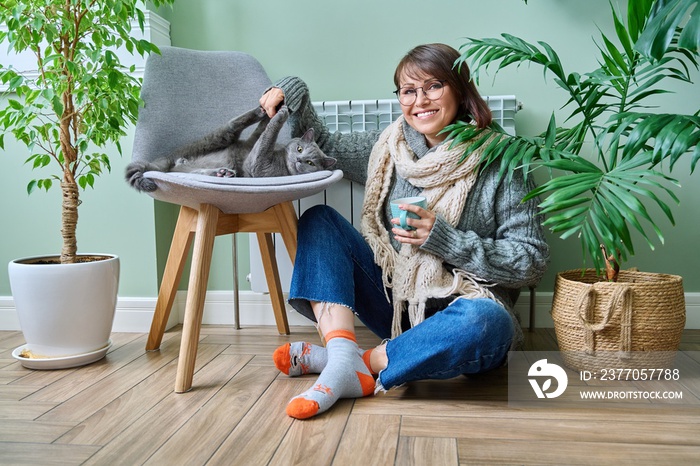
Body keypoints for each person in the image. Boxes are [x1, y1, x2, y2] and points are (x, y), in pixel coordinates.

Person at [259, 43, 549, 420]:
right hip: (395, 306)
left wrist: (444, 239)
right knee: (319, 220)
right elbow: (323, 142)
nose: (420, 100)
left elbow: (531, 262)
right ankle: (347, 355)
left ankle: (358, 360)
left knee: (487, 323)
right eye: (408, 91)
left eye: (433, 86)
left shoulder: (505, 160)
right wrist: (290, 88)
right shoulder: (389, 146)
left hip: (463, 315)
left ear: (460, 90)